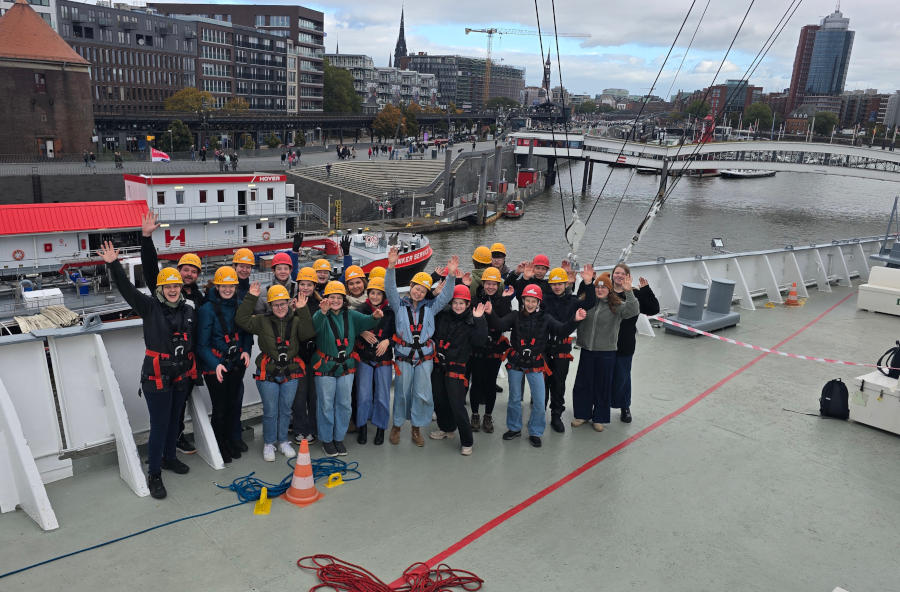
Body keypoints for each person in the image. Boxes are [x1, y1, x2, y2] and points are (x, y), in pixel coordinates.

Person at [98, 241, 196, 500]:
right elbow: (127, 289)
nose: (173, 289)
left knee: (176, 421)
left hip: (180, 374)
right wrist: (113, 264)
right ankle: (154, 473)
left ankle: (169, 458)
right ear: (161, 289)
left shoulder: (188, 310)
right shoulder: (150, 307)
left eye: (176, 285)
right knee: (160, 424)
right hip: (157, 376)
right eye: (168, 286)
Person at [487, 284, 586, 447]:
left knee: (539, 401)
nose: (530, 304)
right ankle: (514, 428)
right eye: (527, 300)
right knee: (514, 399)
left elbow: (561, 330)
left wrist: (575, 320)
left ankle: (535, 431)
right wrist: (490, 313)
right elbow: (500, 325)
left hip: (536, 364)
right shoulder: (514, 316)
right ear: (523, 300)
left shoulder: (546, 318)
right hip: (516, 362)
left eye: (534, 301)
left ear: (538, 302)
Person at [139, 211, 205, 455]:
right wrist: (146, 238)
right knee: (164, 411)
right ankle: (164, 448)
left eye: (193, 271)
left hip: (187, 363)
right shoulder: (165, 291)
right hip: (163, 365)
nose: (188, 274)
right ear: (178, 272)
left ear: (197, 275)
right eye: (185, 270)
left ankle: (176, 439)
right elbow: (149, 270)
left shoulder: (198, 298)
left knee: (179, 406)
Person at [385, 247, 458, 447]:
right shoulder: (398, 305)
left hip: (424, 358)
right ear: (410, 287)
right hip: (403, 357)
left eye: (423, 290)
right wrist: (391, 267)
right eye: (416, 288)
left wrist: (451, 276)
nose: (419, 292)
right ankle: (397, 426)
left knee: (422, 393)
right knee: (401, 392)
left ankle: (416, 428)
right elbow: (390, 289)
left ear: (427, 293)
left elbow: (446, 297)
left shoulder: (430, 308)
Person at [236, 283, 315, 461]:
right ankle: (269, 443)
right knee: (271, 410)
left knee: (286, 410)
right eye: (276, 304)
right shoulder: (261, 321)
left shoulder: (295, 321)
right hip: (268, 371)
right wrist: (251, 298)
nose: (280, 308)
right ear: (270, 306)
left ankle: (283, 441)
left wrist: (302, 311)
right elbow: (241, 320)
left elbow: (307, 333)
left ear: (289, 303)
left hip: (290, 371)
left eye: (283, 304)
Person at [311, 281, 382, 456]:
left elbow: (366, 322)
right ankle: (327, 440)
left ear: (344, 299)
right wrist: (322, 311)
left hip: (346, 367)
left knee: (344, 404)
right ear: (326, 299)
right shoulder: (320, 315)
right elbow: (314, 327)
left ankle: (338, 438)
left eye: (339, 297)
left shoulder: (351, 315)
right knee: (326, 404)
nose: (335, 300)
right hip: (325, 367)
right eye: (332, 297)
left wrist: (376, 317)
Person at [198, 266, 253, 463]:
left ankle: (231, 439)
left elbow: (246, 332)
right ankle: (220, 443)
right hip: (217, 367)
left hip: (236, 364)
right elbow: (201, 345)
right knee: (220, 408)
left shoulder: (239, 305)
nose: (228, 290)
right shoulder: (207, 310)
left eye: (231, 286)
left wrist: (246, 350)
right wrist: (215, 365)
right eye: (224, 286)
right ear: (217, 286)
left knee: (233, 405)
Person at [571, 273, 639, 431]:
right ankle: (582, 414)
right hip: (587, 349)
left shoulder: (616, 305)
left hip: (607, 352)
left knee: (602, 386)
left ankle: (599, 418)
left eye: (604, 287)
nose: (600, 290)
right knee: (583, 384)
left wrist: (629, 292)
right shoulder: (587, 303)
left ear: (609, 290)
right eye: (597, 287)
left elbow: (633, 310)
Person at [429, 285, 488, 456]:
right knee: (439, 399)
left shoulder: (472, 321)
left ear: (468, 304)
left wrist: (479, 319)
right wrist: (436, 293)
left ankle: (467, 441)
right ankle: (447, 428)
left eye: (462, 303)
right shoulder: (444, 315)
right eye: (455, 302)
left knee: (457, 405)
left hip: (456, 368)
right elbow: (429, 308)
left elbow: (479, 341)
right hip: (439, 366)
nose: (458, 306)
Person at [541, 265, 596, 433]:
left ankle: (556, 415)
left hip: (562, 349)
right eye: (553, 284)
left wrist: (588, 283)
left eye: (560, 284)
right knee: (542, 384)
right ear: (549, 285)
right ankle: (539, 414)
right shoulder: (543, 300)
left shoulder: (572, 301)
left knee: (559, 383)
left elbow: (589, 302)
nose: (556, 287)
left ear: (566, 284)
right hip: (544, 348)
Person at [610, 264, 659, 423]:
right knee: (602, 375)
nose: (618, 276)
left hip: (625, 341)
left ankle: (625, 407)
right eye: (616, 273)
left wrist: (646, 290)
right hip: (605, 341)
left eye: (622, 274)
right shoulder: (605, 291)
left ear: (628, 276)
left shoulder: (635, 293)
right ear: (612, 275)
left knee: (623, 376)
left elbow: (653, 309)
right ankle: (599, 404)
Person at [469, 267, 514, 433]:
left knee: (489, 384)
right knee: (476, 383)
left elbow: (504, 322)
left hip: (494, 349)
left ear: (498, 285)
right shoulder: (474, 300)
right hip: (477, 349)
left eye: (494, 284)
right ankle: (475, 414)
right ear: (483, 283)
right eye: (488, 283)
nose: (491, 287)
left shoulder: (503, 302)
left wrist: (499, 304)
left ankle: (487, 415)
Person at [354, 275, 395, 446]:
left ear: (384, 295)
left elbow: (399, 333)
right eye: (372, 293)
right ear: (368, 293)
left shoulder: (391, 312)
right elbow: (351, 328)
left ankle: (380, 428)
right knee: (363, 396)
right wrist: (361, 331)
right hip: (364, 359)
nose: (375, 297)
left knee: (382, 396)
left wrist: (388, 341)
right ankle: (362, 426)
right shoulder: (361, 310)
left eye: (379, 294)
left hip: (383, 360)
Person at [292, 267, 321, 444]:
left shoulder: (320, 304)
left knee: (314, 396)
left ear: (314, 286)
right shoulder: (292, 305)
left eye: (309, 285)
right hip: (299, 356)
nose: (305, 288)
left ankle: (313, 428)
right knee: (300, 396)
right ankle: (299, 429)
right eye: (302, 284)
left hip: (316, 356)